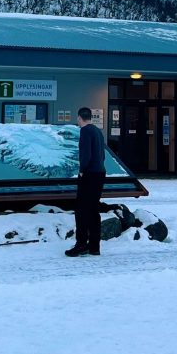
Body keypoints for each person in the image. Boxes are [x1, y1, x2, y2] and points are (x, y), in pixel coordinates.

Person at [67, 106, 106, 257]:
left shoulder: (85, 131)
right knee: (93, 210)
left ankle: (81, 244)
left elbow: (85, 153)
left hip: (89, 174)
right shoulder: (97, 131)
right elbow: (101, 154)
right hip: (100, 173)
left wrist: (82, 170)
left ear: (79, 118)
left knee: (81, 210)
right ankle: (94, 246)